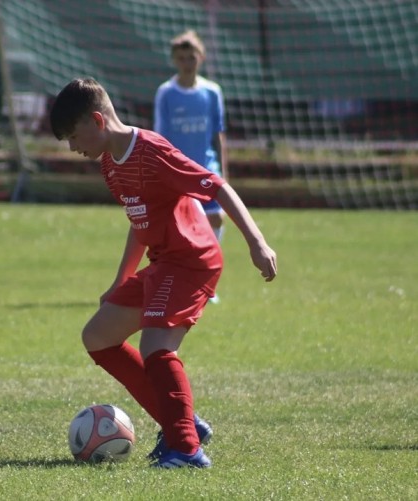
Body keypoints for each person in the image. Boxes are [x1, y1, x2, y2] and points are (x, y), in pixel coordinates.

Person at [50, 77, 277, 468]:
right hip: (163, 262)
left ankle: (187, 449)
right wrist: (121, 280)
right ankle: (182, 423)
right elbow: (140, 222)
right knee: (98, 336)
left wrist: (257, 243)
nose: (73, 148)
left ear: (97, 121)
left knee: (156, 347)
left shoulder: (152, 151)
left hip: (191, 260)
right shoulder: (109, 163)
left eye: (74, 136)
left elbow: (217, 187)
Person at [154, 30, 228, 303]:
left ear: (201, 58)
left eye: (192, 57)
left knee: (216, 219)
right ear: (174, 60)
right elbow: (160, 136)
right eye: (182, 58)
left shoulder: (212, 92)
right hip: (178, 173)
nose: (187, 62)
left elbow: (218, 134)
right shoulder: (166, 93)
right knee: (178, 229)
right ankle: (176, 280)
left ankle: (207, 282)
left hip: (207, 168)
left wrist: (224, 173)